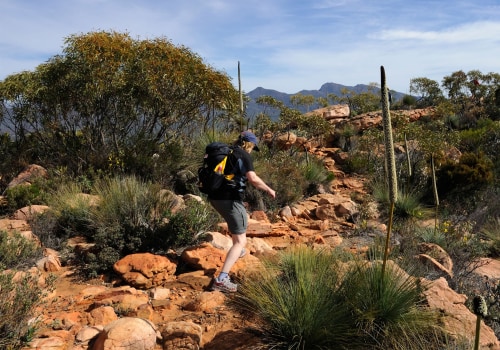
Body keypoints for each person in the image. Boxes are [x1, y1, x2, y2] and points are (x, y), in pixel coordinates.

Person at [209, 130, 276, 292]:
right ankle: (221, 279)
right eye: (253, 146)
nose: (253, 149)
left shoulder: (227, 152)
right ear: (249, 144)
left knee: (240, 219)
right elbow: (253, 179)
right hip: (228, 199)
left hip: (214, 198)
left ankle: (237, 251)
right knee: (240, 241)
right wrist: (268, 189)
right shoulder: (243, 155)